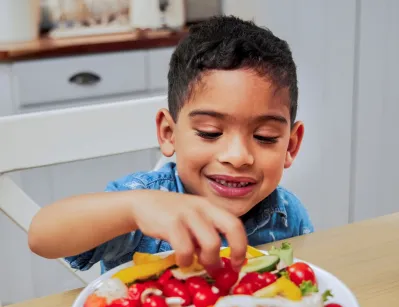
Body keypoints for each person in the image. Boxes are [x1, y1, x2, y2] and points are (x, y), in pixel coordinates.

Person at [28, 15, 313, 276]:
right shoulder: (144, 205)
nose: (238, 157)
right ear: (168, 133)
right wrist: (133, 209)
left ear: (290, 145)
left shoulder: (288, 214)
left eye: (265, 136)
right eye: (210, 132)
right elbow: (41, 236)